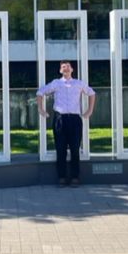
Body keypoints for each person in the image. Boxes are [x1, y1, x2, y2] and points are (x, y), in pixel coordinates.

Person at [36, 60, 97, 188]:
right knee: (61, 149)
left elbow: (91, 93)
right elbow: (40, 92)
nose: (66, 69)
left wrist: (89, 111)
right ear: (60, 70)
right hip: (60, 119)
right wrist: (41, 109)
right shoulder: (56, 83)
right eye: (63, 67)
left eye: (68, 66)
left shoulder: (78, 83)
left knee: (75, 149)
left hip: (75, 120)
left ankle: (75, 177)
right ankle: (62, 177)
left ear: (72, 69)